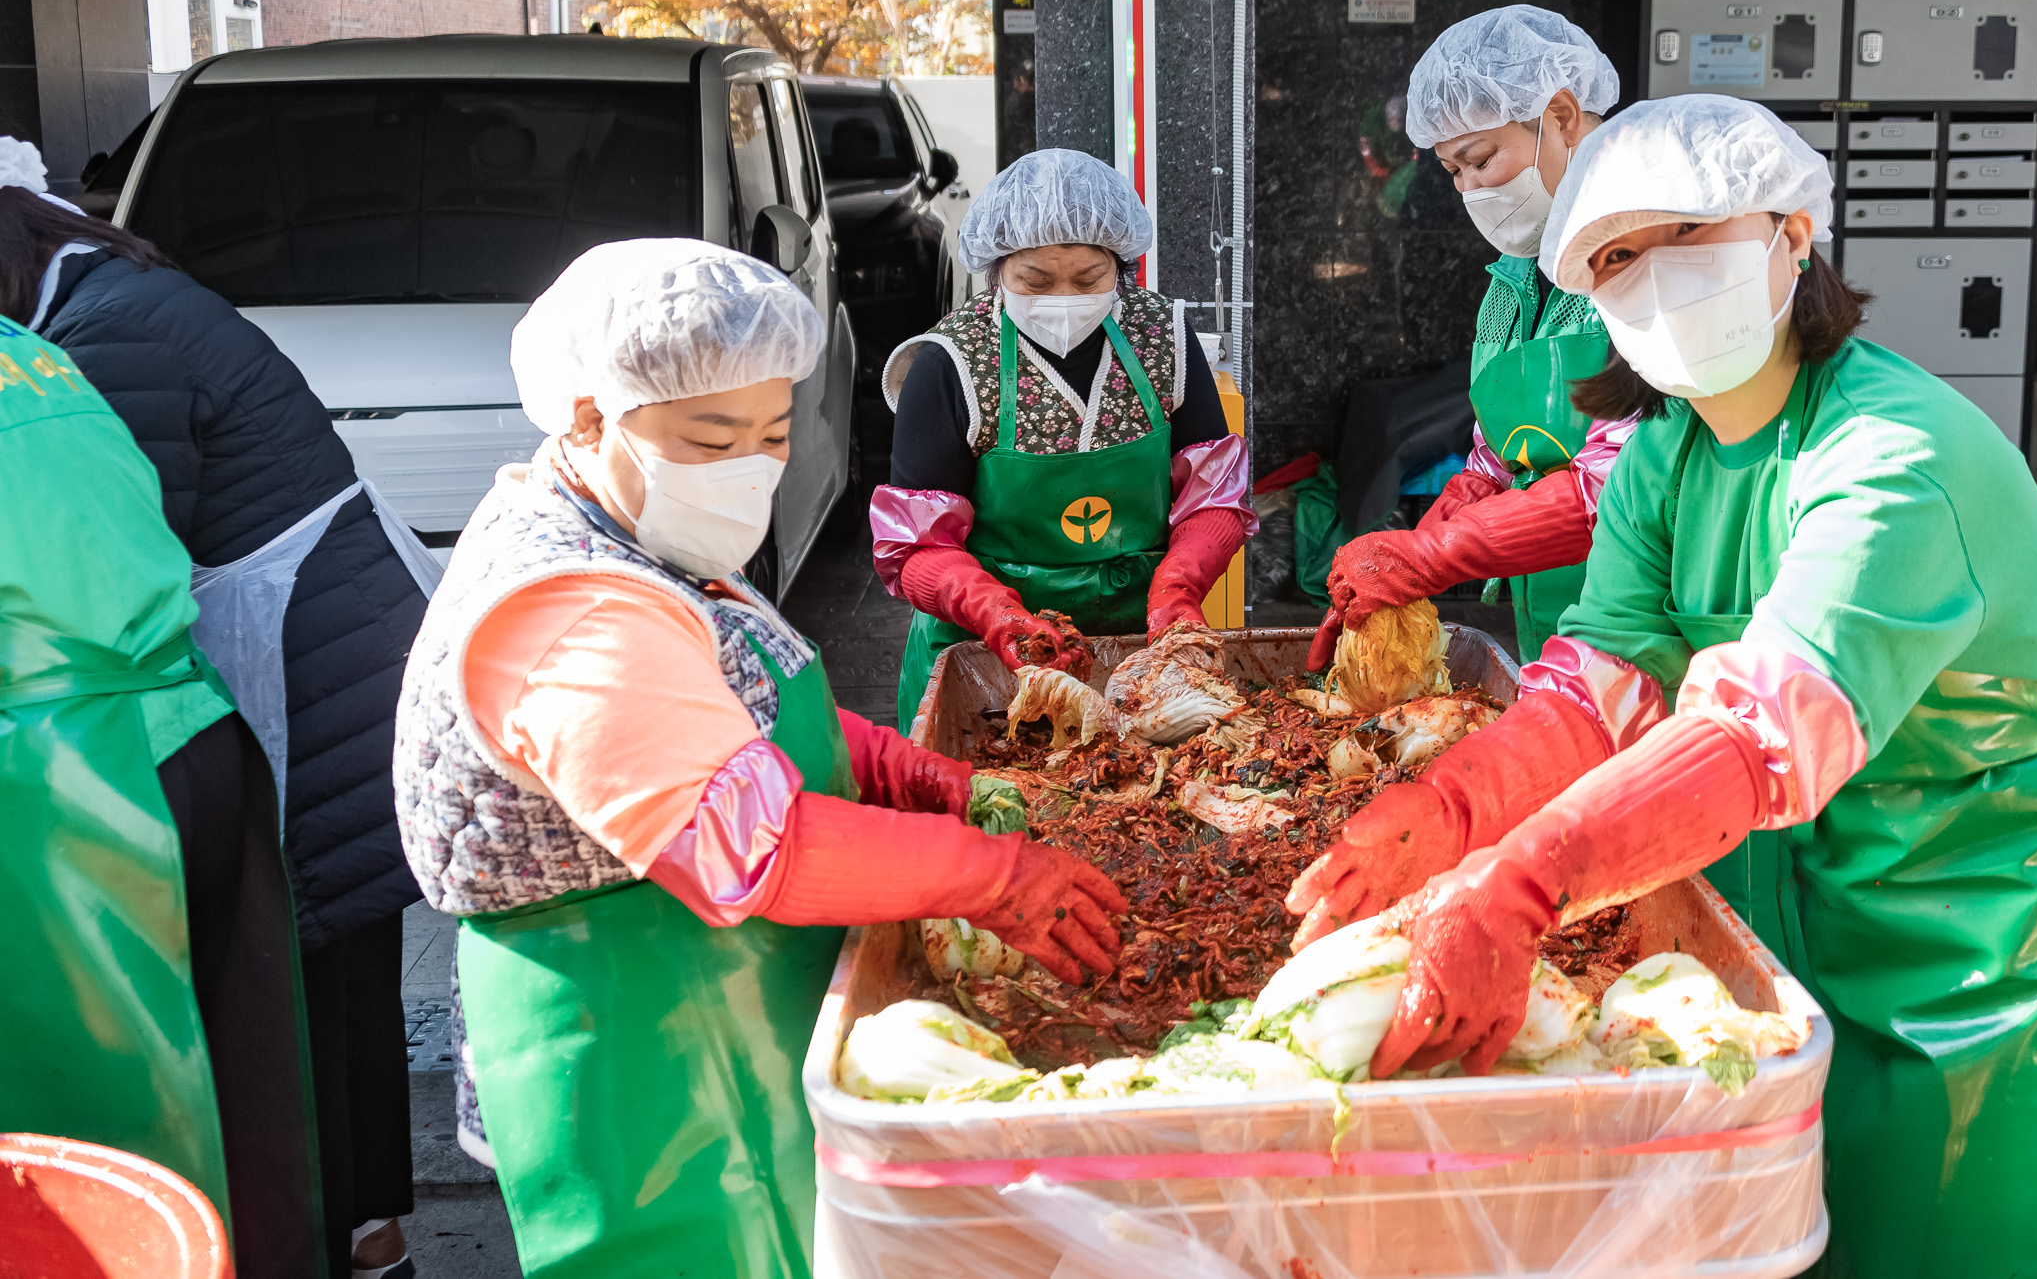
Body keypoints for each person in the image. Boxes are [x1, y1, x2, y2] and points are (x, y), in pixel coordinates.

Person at [1288, 95, 2037, 1279]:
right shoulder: (1665, 453)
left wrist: (1515, 885)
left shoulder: (1894, 457)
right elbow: (1592, 685)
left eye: (1690, 236)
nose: (1655, 278)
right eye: (1616, 258)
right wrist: (1444, 812)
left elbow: (1755, 731)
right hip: (1795, 934)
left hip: (1999, 965)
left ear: (1792, 235)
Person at [394, 238, 1126, 1278]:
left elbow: (736, 718)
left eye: (773, 431)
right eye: (709, 435)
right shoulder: (568, 608)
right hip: (637, 1041)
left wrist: (901, 767)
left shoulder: (644, 538)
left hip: (727, 990)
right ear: (590, 415)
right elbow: (759, 845)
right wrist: (996, 876)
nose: (750, 464)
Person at [0, 147, 431, 1278]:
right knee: (336, 979)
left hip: (295, 681)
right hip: (331, 663)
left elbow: (106, 552)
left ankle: (340, 1236)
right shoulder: (118, 297)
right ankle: (373, 1232)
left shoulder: (93, 344)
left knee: (294, 993)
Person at [0, 289, 325, 1275]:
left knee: (103, 1140)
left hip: (53, 781)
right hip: (180, 719)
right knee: (242, 1087)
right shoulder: (25, 350)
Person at [873, 148, 1254, 719]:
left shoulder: (1163, 340)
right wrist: (994, 612)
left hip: (1141, 648)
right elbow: (916, 546)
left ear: (1122, 265)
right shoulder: (949, 362)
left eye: (1089, 278)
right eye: (1036, 279)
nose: (1065, 300)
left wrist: (1179, 588)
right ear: (997, 267)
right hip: (986, 653)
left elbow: (1215, 497)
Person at [1310, 6, 1623, 672]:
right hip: (1558, 625)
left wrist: (1429, 558)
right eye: (1453, 171)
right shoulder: (1512, 285)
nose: (1470, 188)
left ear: (1562, 118)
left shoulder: (1639, 263)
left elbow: (1615, 487)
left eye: (1480, 159)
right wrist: (1431, 528)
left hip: (1652, 623)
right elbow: (1497, 450)